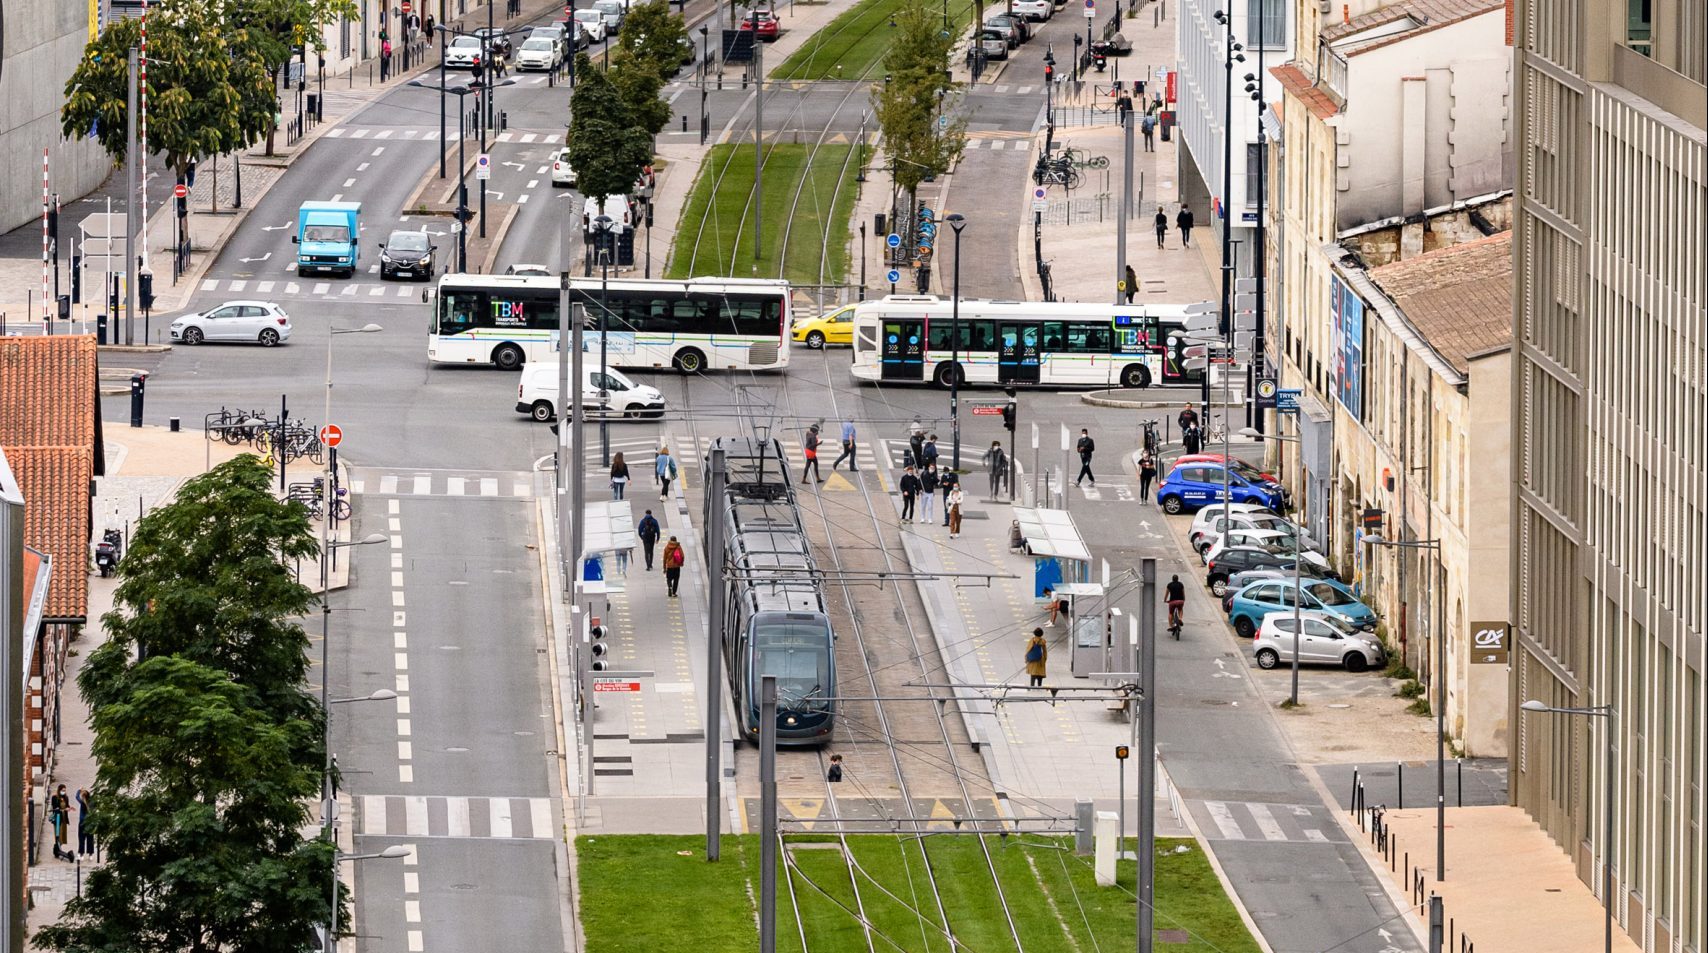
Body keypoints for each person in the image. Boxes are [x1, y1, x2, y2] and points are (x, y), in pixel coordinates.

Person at [50, 784, 71, 860]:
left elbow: (67, 805)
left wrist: (69, 808)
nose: (64, 792)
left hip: (64, 818)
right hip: (58, 818)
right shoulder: (55, 797)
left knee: (63, 834)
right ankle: (57, 847)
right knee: (58, 834)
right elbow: (55, 807)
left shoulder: (66, 797)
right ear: (59, 790)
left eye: (65, 790)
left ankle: (59, 847)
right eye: (62, 790)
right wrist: (63, 809)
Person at [76, 787, 94, 858]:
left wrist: (79, 790)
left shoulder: (82, 802)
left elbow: (77, 796)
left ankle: (81, 853)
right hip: (90, 823)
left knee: (81, 838)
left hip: (82, 822)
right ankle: (90, 854)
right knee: (90, 839)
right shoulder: (92, 802)